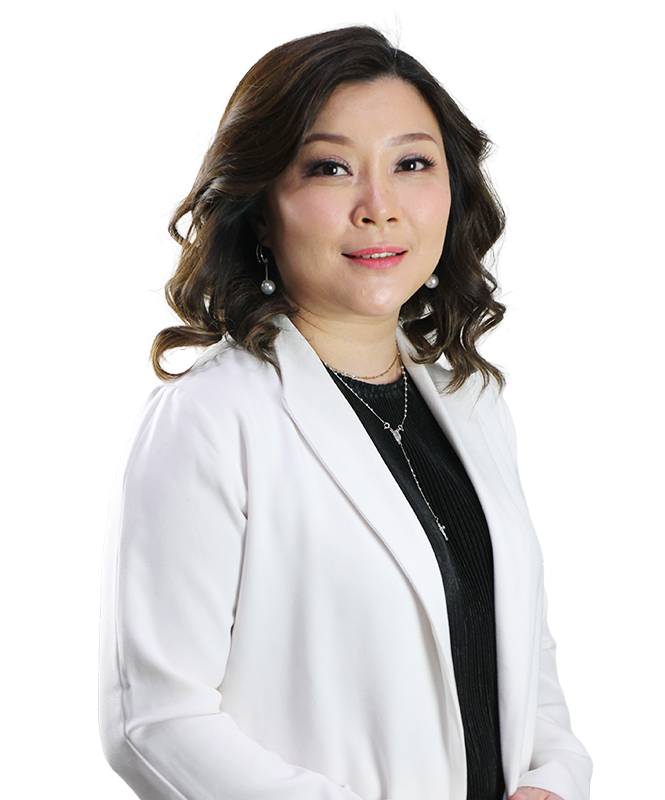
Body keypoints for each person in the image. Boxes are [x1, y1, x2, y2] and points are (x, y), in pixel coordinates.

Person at [98, 19, 593, 800]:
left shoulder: (472, 401)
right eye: (329, 168)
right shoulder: (209, 419)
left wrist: (557, 779)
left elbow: (522, 661)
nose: (378, 206)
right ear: (262, 207)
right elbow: (154, 722)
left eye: (411, 163)